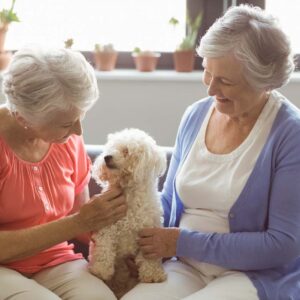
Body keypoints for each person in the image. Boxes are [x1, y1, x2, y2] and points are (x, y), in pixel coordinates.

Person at [121, 4, 300, 300]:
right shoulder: (196, 115)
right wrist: (141, 243)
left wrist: (183, 243)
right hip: (185, 265)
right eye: (207, 72)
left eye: (225, 81)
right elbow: (167, 200)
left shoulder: (290, 134)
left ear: (263, 82)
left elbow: (283, 243)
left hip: (252, 275)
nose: (210, 89)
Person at [0, 47, 127, 300]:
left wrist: (122, 249)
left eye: (80, 118)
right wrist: (80, 222)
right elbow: (78, 221)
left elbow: (80, 218)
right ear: (25, 118)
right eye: (67, 124)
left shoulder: (66, 140)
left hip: (55, 260)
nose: (79, 132)